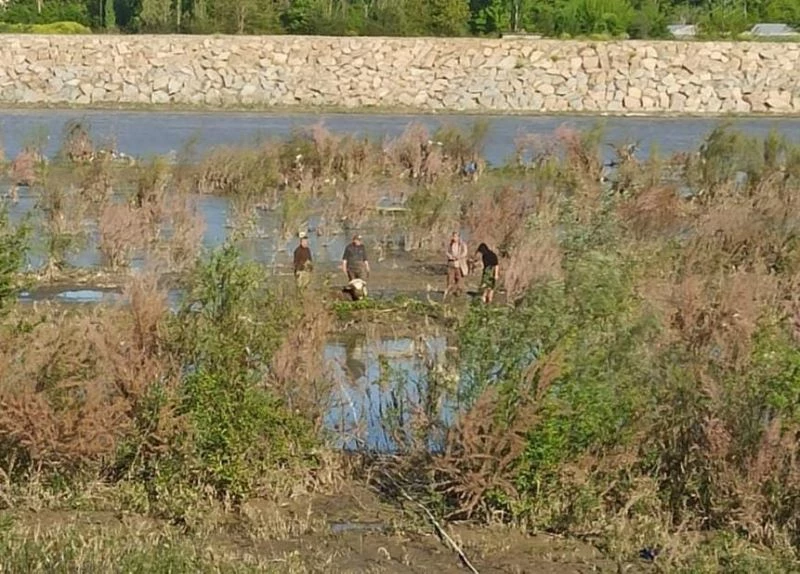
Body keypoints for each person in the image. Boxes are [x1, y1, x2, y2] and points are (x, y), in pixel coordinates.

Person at [444, 231, 468, 300]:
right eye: (453, 236)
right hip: (451, 263)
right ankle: (449, 292)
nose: (454, 238)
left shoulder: (462, 244)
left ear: (458, 237)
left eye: (455, 236)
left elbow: (465, 252)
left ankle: (458, 292)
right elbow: (446, 252)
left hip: (459, 264)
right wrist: (450, 256)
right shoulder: (450, 244)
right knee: (450, 278)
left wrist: (459, 256)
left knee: (459, 278)